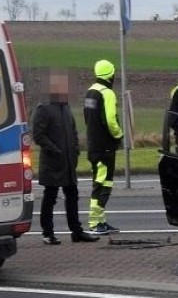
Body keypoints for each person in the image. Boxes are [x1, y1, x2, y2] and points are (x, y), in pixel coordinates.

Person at [32, 70, 99, 245]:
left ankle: (76, 231)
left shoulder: (66, 107)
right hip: (53, 163)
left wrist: (75, 149)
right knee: (50, 196)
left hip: (68, 161)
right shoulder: (43, 108)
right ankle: (48, 232)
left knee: (72, 195)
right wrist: (55, 150)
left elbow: (73, 131)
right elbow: (38, 135)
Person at [83, 59, 124, 235]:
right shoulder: (107, 93)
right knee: (103, 184)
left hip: (93, 144)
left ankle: (100, 221)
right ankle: (95, 223)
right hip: (105, 147)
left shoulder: (90, 92)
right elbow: (110, 120)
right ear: (110, 74)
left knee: (99, 181)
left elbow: (88, 119)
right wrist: (119, 135)